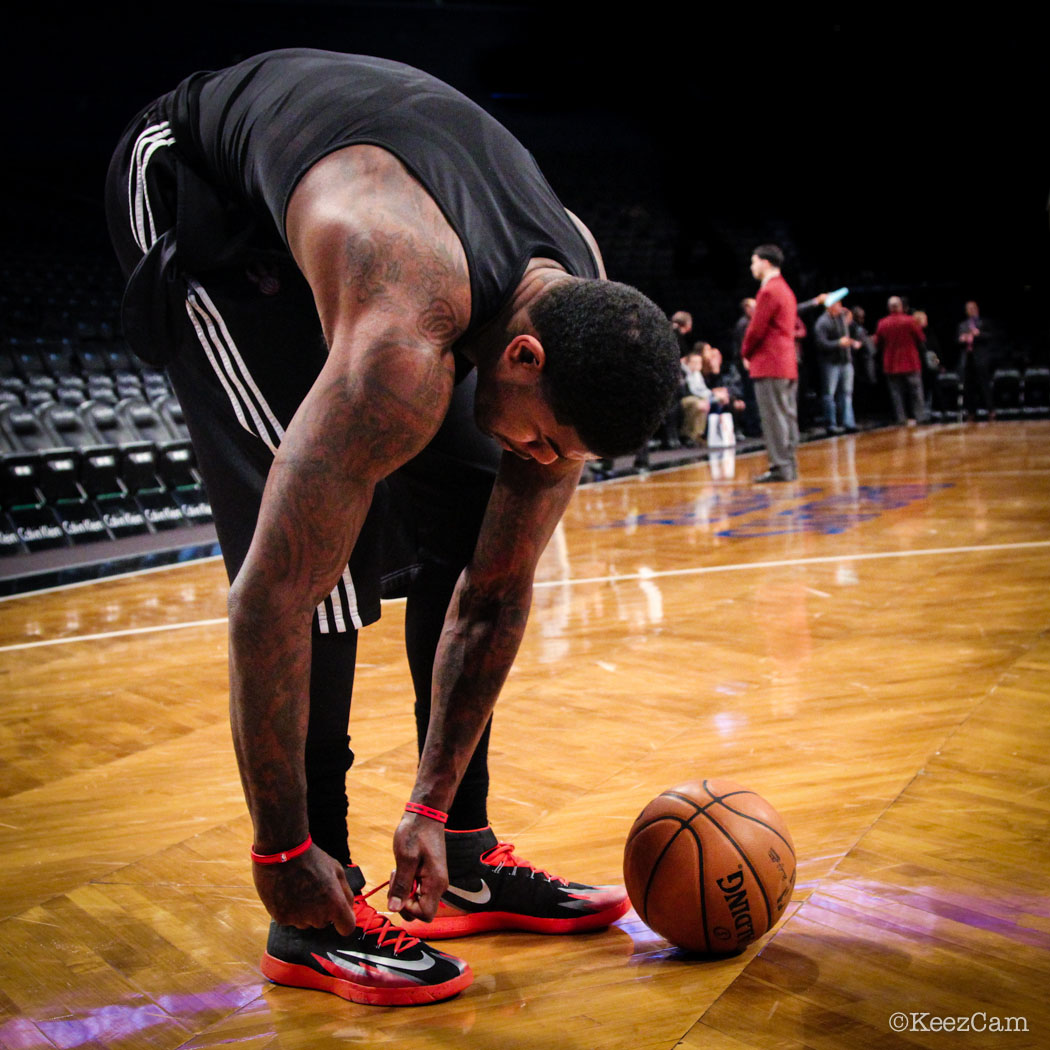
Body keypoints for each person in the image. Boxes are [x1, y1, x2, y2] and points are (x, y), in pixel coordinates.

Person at [104, 49, 680, 1007]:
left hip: (352, 204)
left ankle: (459, 858)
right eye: (545, 441)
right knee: (314, 566)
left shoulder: (578, 286)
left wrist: (431, 800)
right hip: (192, 186)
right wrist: (277, 850)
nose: (541, 461)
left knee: (469, 529)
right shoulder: (404, 330)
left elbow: (494, 593)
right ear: (523, 357)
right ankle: (309, 904)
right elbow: (266, 603)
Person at [741, 244, 799, 481]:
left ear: (765, 262)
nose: (751, 266)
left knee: (773, 418)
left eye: (754, 261)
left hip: (770, 362)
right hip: (786, 362)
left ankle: (780, 467)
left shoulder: (769, 291)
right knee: (787, 416)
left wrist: (745, 353)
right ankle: (789, 465)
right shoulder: (786, 289)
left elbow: (756, 329)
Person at [874, 296, 926, 425]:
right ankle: (920, 417)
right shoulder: (910, 321)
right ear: (901, 307)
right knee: (916, 393)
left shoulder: (882, 323)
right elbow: (921, 338)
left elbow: (878, 342)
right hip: (910, 362)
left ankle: (900, 418)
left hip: (891, 364)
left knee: (896, 395)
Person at [813, 299, 860, 433]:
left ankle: (848, 422)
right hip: (830, 363)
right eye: (837, 305)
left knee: (847, 393)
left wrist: (850, 342)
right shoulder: (822, 322)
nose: (840, 307)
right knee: (829, 395)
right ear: (830, 306)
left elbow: (847, 332)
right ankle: (831, 424)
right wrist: (838, 343)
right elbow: (821, 344)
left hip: (845, 361)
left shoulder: (841, 319)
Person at [956, 300, 996, 420]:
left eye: (973, 308)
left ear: (977, 309)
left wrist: (978, 334)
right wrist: (962, 339)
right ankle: (971, 412)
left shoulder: (983, 322)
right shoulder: (962, 325)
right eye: (969, 308)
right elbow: (957, 341)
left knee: (984, 386)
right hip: (968, 359)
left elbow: (991, 337)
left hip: (981, 359)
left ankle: (991, 410)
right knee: (969, 387)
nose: (971, 310)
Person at [678, 346, 712, 445]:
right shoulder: (683, 372)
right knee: (698, 403)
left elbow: (702, 389)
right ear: (688, 363)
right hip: (682, 399)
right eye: (695, 362)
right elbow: (686, 391)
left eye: (699, 362)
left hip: (694, 398)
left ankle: (697, 434)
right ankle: (688, 434)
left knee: (703, 403)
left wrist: (709, 396)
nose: (698, 365)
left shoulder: (697, 374)